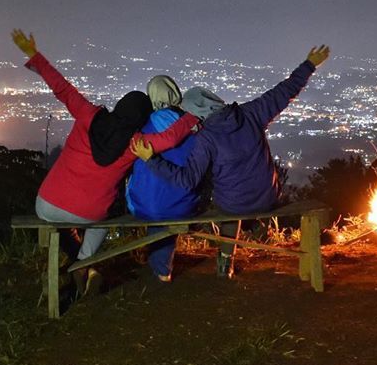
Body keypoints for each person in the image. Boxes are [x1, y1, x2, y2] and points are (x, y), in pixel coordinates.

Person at [13, 30, 199, 278]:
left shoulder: (88, 115)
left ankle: (80, 266)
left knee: (64, 224)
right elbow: (171, 137)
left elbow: (63, 89)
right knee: (99, 223)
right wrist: (194, 115)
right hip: (89, 213)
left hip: (46, 204)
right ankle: (83, 264)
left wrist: (34, 55)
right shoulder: (137, 143)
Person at [131, 45, 330, 275]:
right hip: (268, 197)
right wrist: (310, 64)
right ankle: (225, 260)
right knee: (232, 193)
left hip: (234, 205)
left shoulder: (206, 138)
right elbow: (285, 91)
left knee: (228, 203)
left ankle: (226, 261)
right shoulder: (251, 113)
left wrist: (151, 159)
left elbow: (186, 180)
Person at [125, 74, 201, 282]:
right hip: (183, 205)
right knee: (170, 198)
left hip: (144, 205)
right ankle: (161, 266)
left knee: (155, 199)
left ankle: (161, 267)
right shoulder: (192, 126)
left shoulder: (144, 127)